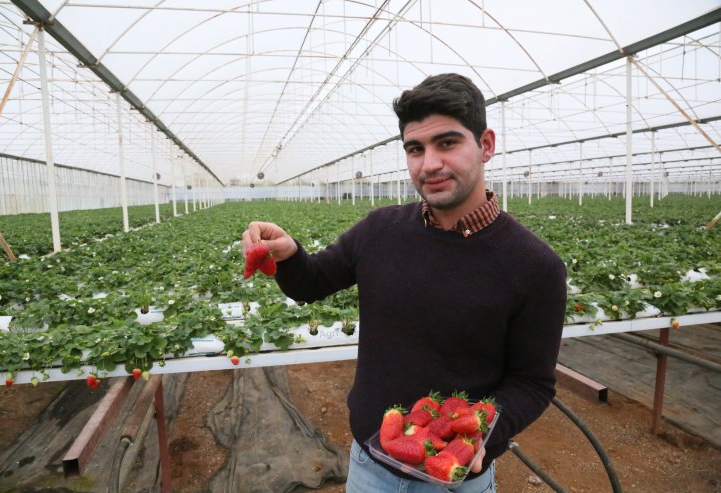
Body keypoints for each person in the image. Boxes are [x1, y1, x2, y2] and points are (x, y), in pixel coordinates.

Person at [242, 73, 567, 493]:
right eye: (415, 149)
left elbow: (532, 382)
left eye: (447, 143)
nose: (428, 163)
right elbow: (313, 282)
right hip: (368, 465)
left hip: (455, 477)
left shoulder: (534, 265)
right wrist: (290, 255)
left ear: (485, 145)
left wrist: (480, 434)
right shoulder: (380, 230)